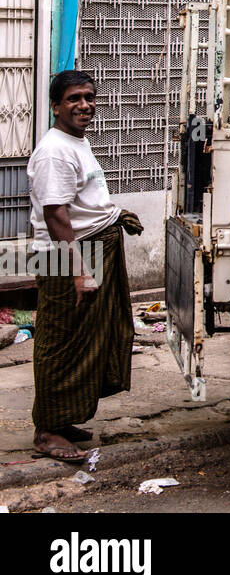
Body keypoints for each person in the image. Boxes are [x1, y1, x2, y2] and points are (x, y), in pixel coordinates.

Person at [28, 70, 142, 463]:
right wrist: (79, 271)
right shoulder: (55, 150)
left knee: (86, 341)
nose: (84, 105)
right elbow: (56, 214)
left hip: (89, 249)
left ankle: (63, 418)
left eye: (89, 97)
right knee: (60, 343)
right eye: (74, 98)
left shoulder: (76, 142)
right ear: (56, 105)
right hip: (68, 255)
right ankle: (47, 431)